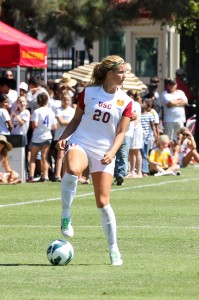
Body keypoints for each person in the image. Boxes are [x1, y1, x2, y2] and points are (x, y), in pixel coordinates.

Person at [56, 55, 132, 266]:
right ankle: (65, 215)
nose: (124, 75)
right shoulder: (88, 93)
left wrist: (112, 152)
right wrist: (64, 138)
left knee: (103, 202)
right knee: (72, 170)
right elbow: (76, 119)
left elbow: (121, 133)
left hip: (104, 152)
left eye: (125, 72)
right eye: (121, 72)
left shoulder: (126, 102)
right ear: (109, 73)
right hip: (81, 142)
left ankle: (113, 249)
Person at [27, 93, 57, 182]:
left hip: (37, 136)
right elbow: (54, 126)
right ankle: (45, 176)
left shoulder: (37, 111)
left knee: (33, 158)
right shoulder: (51, 111)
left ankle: (31, 176)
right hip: (47, 135)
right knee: (45, 157)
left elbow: (35, 124)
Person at [51, 91, 75, 181]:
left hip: (70, 136)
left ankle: (64, 175)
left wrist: (71, 123)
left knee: (67, 156)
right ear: (61, 100)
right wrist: (72, 123)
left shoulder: (72, 110)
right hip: (60, 135)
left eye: (68, 100)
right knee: (60, 155)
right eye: (64, 100)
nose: (66, 102)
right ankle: (58, 175)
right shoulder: (58, 110)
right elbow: (61, 122)